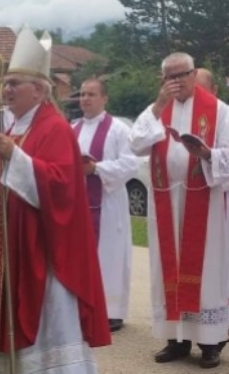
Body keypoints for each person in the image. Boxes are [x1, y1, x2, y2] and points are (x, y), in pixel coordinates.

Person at [0, 26, 111, 371]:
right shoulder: (15, 128)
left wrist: (16, 157)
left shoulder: (53, 127)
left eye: (15, 83)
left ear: (40, 91)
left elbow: (60, 187)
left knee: (50, 327)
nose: (7, 89)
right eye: (6, 83)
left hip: (44, 250)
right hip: (15, 246)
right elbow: (0, 180)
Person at [129, 53, 229, 369]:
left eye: (181, 75)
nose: (176, 82)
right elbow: (136, 144)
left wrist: (207, 154)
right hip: (165, 202)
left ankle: (210, 343)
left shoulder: (221, 112)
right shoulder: (155, 112)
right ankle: (175, 339)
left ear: (194, 75)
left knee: (206, 273)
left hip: (203, 204)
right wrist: (157, 106)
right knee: (166, 270)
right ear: (161, 80)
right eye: (169, 77)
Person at [72, 77, 139, 333]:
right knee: (81, 255)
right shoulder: (73, 128)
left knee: (110, 256)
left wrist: (96, 168)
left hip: (108, 205)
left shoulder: (119, 130)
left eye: (91, 94)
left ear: (104, 99)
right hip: (80, 205)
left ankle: (112, 311)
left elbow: (131, 163)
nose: (85, 99)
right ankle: (83, 306)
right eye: (82, 94)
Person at [194, 68, 229, 343]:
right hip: (198, 200)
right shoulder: (188, 118)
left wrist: (210, 160)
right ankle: (206, 317)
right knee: (205, 262)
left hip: (228, 196)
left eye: (201, 89)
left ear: (214, 90)